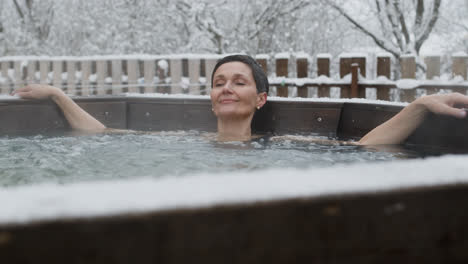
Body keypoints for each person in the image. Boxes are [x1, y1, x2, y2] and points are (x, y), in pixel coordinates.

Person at [12, 54, 468, 145]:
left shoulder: (290, 147)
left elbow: (364, 151)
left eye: (239, 81)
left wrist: (419, 106)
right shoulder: (179, 144)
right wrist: (56, 94)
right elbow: (106, 134)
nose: (226, 87)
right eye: (219, 82)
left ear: (261, 98)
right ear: (211, 97)